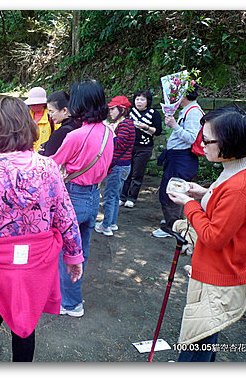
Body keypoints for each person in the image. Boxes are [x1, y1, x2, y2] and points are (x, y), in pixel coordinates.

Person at [0, 96, 83, 362]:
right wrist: (73, 255)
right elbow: (65, 215)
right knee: (25, 325)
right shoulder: (49, 168)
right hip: (35, 263)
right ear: (27, 126)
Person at [166, 105, 246, 362]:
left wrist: (189, 204)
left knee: (198, 336)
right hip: (233, 262)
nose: (201, 144)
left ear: (228, 144)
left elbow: (214, 237)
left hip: (220, 270)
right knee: (209, 330)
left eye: (206, 140)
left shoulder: (239, 189)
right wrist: (204, 193)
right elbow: (229, 210)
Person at [50, 79, 114, 317]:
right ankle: (72, 296)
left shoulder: (76, 136)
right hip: (93, 196)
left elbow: (52, 165)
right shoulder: (109, 133)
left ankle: (71, 302)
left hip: (73, 197)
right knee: (81, 251)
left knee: (65, 253)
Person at [152, 83, 203, 238]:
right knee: (176, 188)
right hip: (178, 157)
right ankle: (174, 222)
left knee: (172, 189)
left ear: (184, 95)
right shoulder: (189, 110)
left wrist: (174, 125)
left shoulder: (193, 112)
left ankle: (171, 226)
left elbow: (191, 137)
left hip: (182, 157)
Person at [94, 95, 135, 236]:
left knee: (109, 196)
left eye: (113, 109)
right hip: (123, 166)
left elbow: (118, 144)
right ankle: (112, 222)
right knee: (115, 196)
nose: (110, 111)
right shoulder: (128, 123)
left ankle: (106, 226)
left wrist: (109, 132)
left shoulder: (125, 125)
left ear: (122, 109)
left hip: (118, 166)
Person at [120, 89, 162, 208]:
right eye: (137, 99)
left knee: (137, 173)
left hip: (144, 147)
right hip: (129, 146)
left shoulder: (154, 113)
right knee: (126, 172)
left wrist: (146, 127)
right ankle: (122, 196)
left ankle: (132, 198)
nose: (139, 102)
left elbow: (158, 131)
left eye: (142, 99)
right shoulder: (129, 112)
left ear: (147, 101)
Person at [42, 90, 81, 157]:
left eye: (52, 111)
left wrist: (40, 152)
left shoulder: (61, 133)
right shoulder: (81, 124)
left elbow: (48, 159)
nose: (50, 116)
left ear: (64, 110)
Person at [24, 86, 54, 152]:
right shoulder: (26, 116)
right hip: (29, 155)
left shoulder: (52, 117)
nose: (32, 106)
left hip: (45, 154)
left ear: (43, 104)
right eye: (31, 104)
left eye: (36, 104)